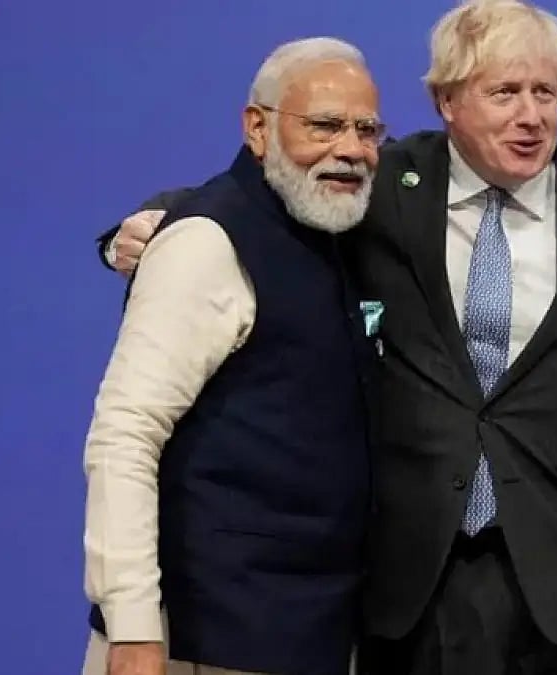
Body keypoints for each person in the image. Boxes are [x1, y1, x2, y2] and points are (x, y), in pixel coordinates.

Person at [95, 2, 557, 673]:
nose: (531, 115)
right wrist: (151, 219)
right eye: (504, 92)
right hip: (417, 594)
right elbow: (261, 192)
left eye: (545, 92)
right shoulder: (379, 187)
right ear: (446, 101)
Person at [80, 37, 384, 675]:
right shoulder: (207, 243)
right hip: (202, 643)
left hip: (318, 635)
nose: (351, 149)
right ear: (257, 127)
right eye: (324, 125)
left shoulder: (334, 229)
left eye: (367, 130)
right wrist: (133, 628)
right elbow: (125, 437)